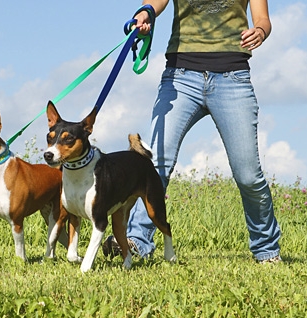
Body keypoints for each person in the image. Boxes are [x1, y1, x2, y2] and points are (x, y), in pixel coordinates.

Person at [102, 0, 282, 263]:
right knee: (155, 164)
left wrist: (261, 31)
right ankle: (137, 241)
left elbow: (263, 19)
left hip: (233, 78)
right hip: (180, 77)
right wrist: (143, 15)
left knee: (248, 174)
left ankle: (266, 249)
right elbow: (154, 3)